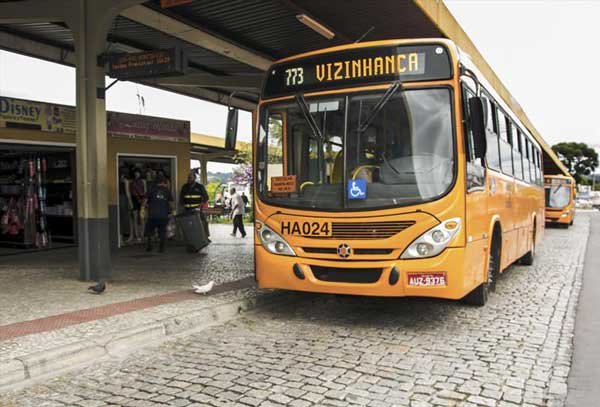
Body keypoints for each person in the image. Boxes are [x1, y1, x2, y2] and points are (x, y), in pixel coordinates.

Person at [145, 174, 173, 252]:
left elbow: (144, 202)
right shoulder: (167, 191)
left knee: (150, 231)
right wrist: (172, 212)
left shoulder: (150, 189)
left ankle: (149, 246)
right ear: (163, 181)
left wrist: (144, 209)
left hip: (152, 215)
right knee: (162, 232)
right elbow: (171, 204)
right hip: (163, 215)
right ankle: (161, 248)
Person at [180, 171, 210, 240]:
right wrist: (182, 205)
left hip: (197, 210)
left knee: (203, 222)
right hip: (187, 210)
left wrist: (201, 204)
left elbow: (206, 197)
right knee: (188, 225)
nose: (189, 179)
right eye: (188, 178)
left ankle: (205, 237)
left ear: (194, 178)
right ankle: (190, 238)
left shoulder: (200, 187)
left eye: (191, 178)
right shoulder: (185, 187)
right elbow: (181, 198)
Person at [129, 170, 146, 242]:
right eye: (135, 173)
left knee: (142, 218)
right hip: (134, 201)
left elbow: (145, 191)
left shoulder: (143, 181)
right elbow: (131, 193)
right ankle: (137, 235)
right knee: (135, 218)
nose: (137, 174)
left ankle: (142, 235)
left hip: (142, 200)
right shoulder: (131, 182)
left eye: (138, 173)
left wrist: (144, 201)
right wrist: (131, 203)